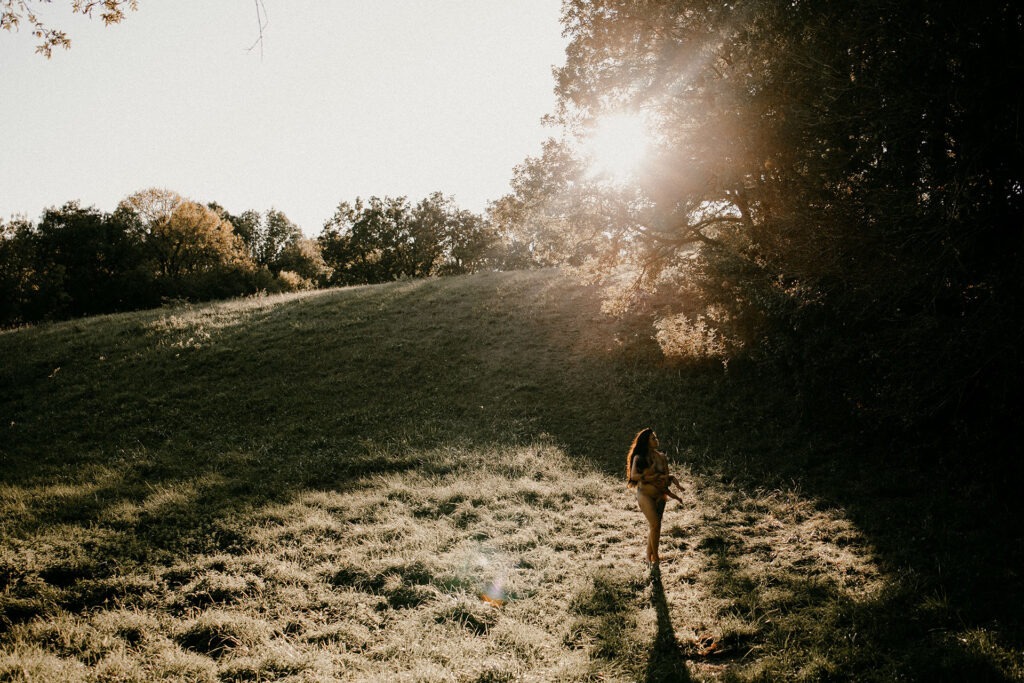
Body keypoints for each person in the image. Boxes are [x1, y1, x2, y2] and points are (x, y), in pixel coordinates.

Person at [626, 428, 681, 564]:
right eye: (653, 438)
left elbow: (666, 477)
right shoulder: (639, 457)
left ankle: (648, 555)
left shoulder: (662, 457)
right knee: (655, 524)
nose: (656, 440)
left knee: (656, 526)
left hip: (660, 495)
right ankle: (655, 557)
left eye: (656, 438)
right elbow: (633, 476)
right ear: (646, 441)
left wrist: (669, 481)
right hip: (645, 494)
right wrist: (649, 477)